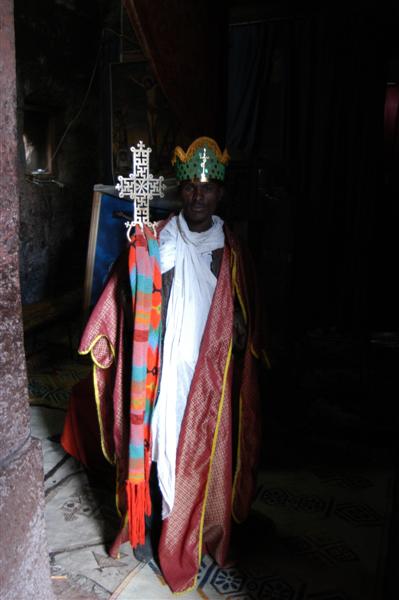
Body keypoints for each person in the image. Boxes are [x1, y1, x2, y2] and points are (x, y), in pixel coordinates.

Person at [61, 136, 263, 594]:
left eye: (207, 188)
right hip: (161, 373)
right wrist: (137, 266)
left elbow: (248, 318)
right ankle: (159, 521)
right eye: (190, 186)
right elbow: (124, 296)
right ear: (179, 188)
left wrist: (238, 341)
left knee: (202, 454)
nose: (197, 195)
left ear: (220, 193)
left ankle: (197, 528)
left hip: (209, 378)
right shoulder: (156, 239)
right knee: (159, 448)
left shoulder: (232, 251)